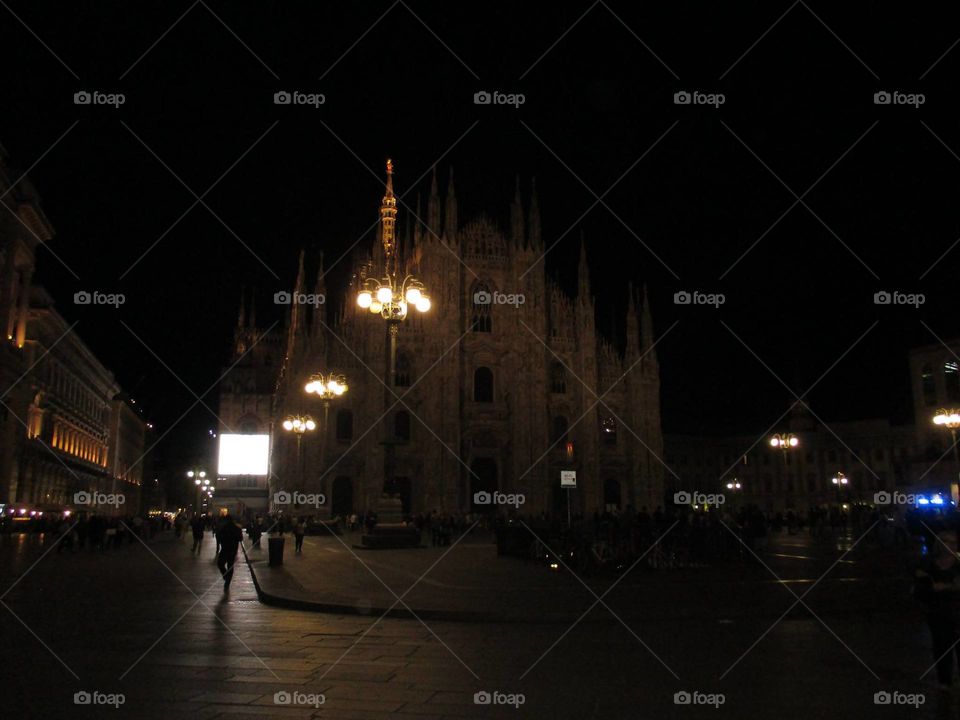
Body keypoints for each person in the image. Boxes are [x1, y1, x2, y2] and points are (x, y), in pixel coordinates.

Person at [915, 529, 960, 687]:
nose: (952, 545)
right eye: (948, 541)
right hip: (937, 612)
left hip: (957, 610)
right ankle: (944, 681)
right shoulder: (928, 563)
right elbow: (921, 588)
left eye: (954, 542)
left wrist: (945, 587)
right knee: (942, 646)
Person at [216, 512, 244, 591]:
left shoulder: (224, 528)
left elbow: (219, 537)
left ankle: (226, 577)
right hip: (233, 549)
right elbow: (240, 539)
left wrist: (222, 541)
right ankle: (227, 581)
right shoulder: (237, 528)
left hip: (225, 548)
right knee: (230, 565)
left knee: (220, 563)